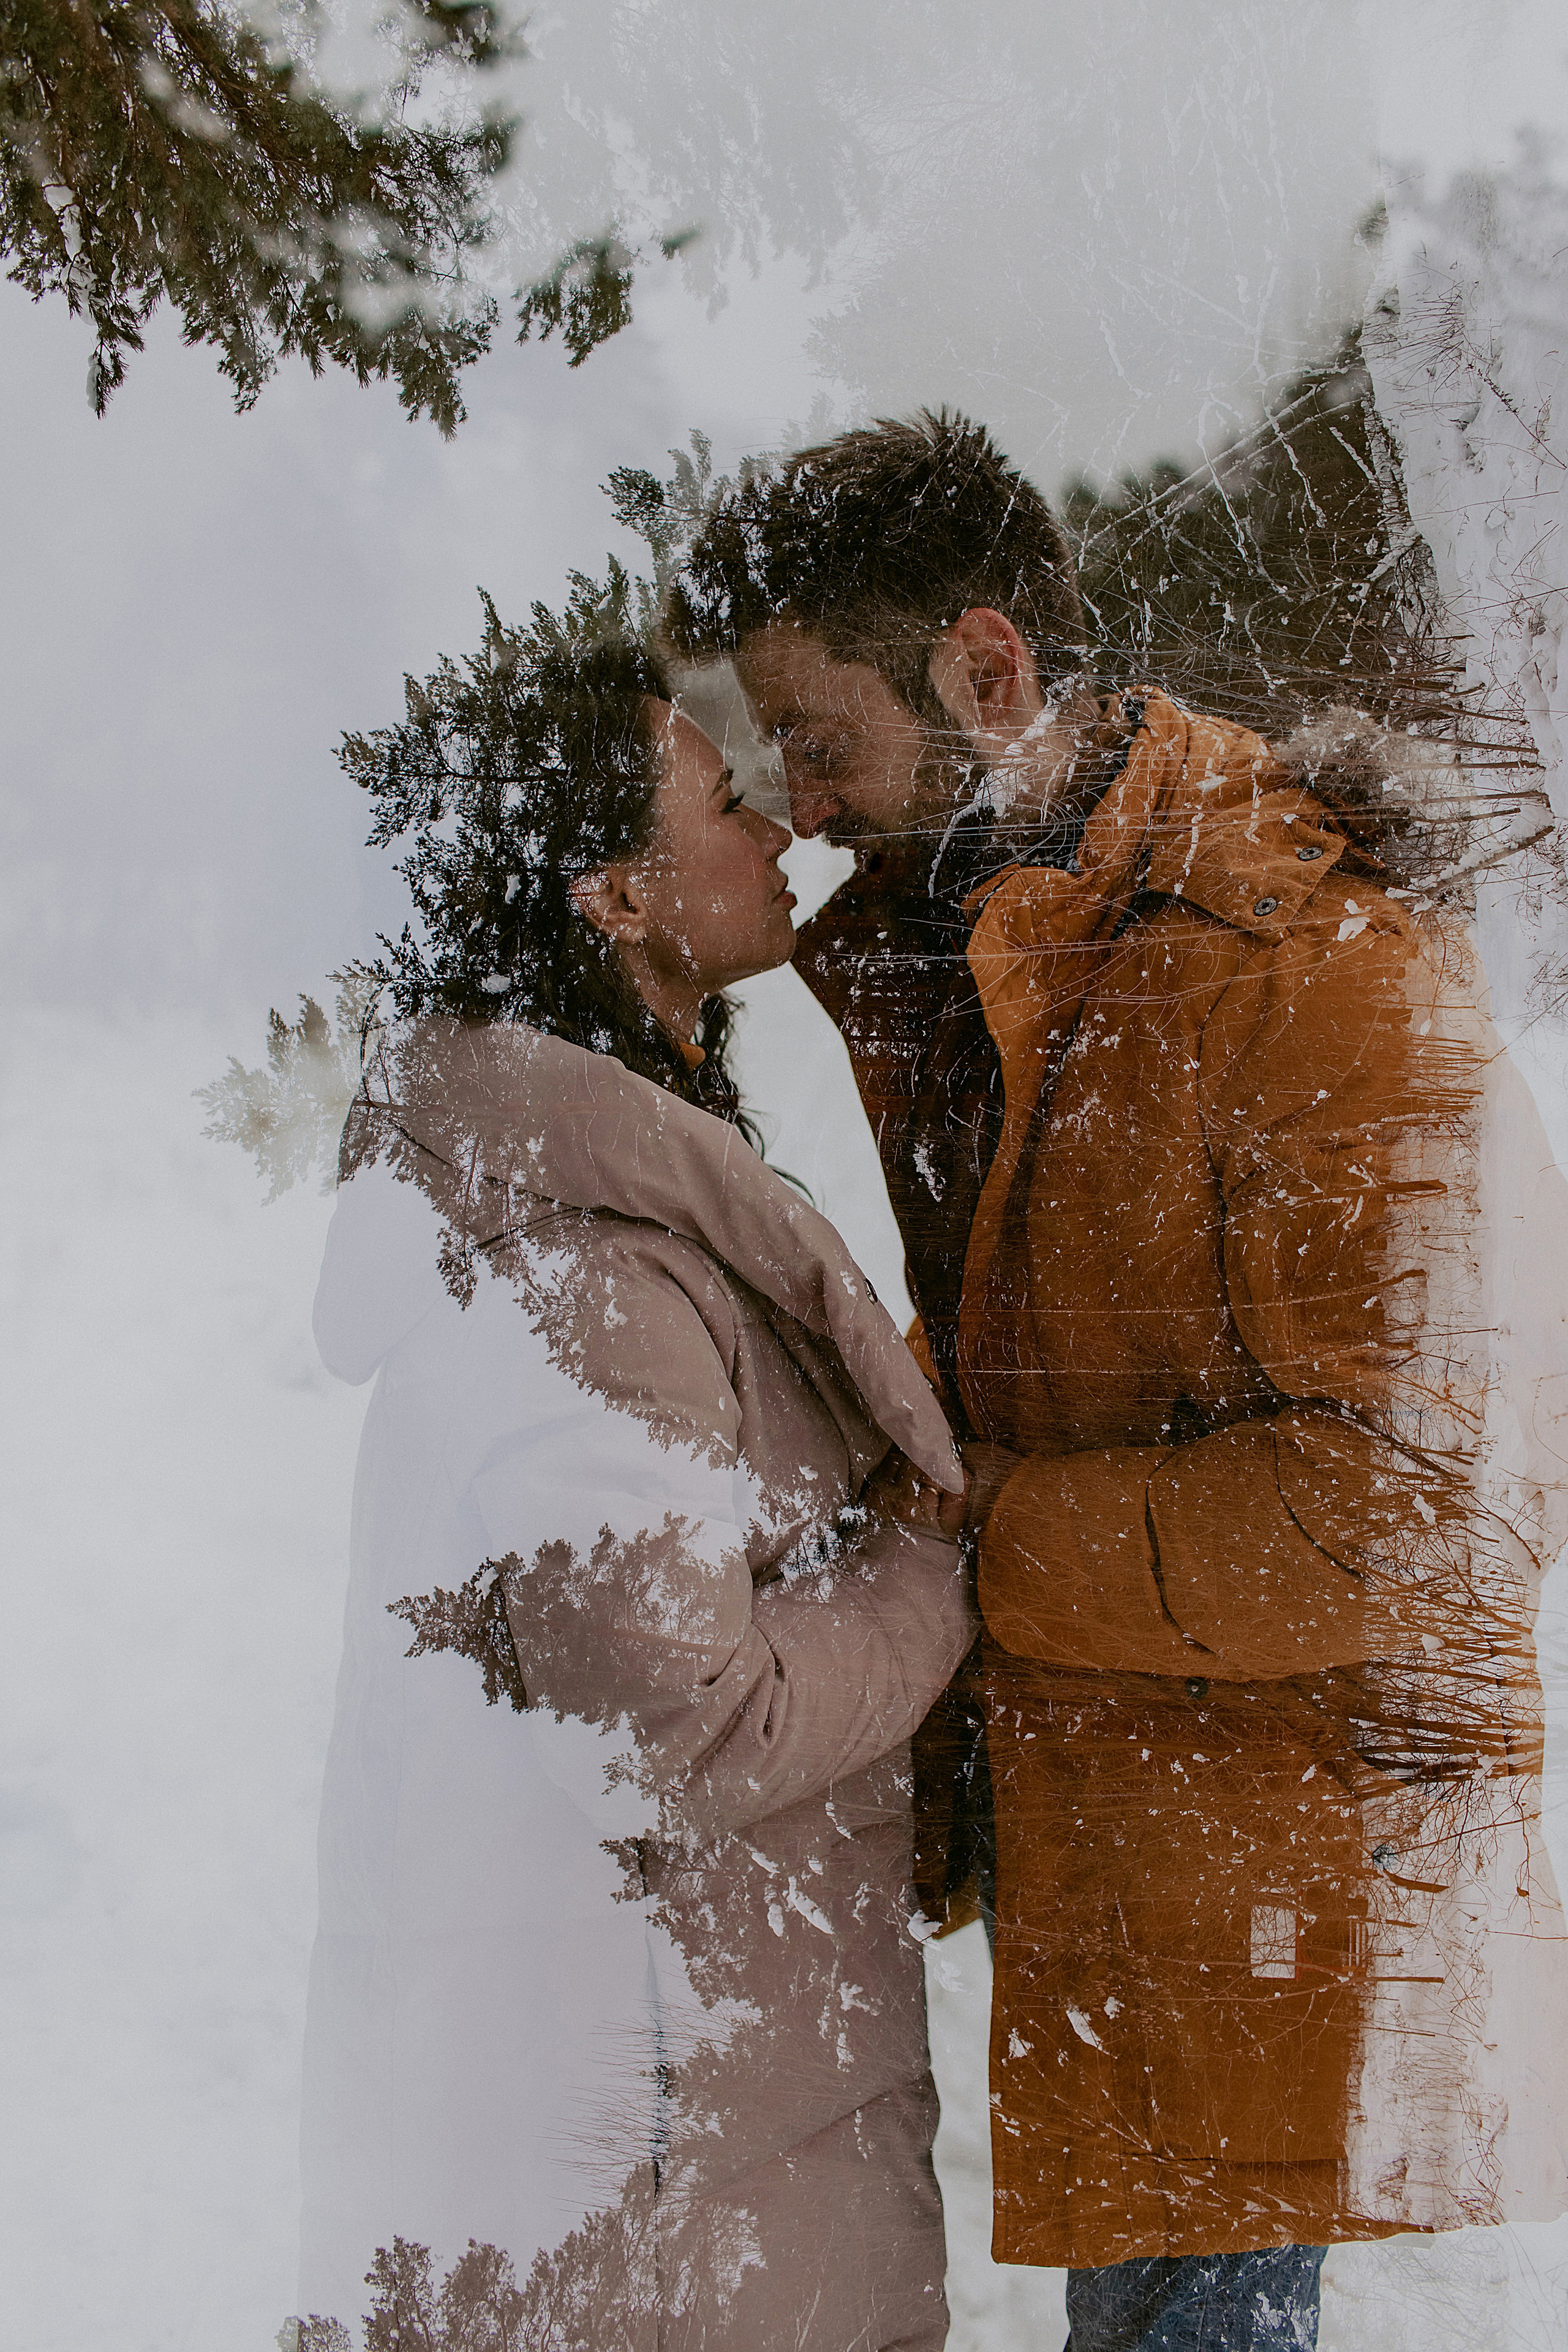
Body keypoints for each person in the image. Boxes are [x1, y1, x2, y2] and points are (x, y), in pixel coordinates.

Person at [667, 413, 1568, 2352]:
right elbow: (1072, 1344)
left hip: (1258, 1884)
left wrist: (980, 1537)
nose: (802, 809)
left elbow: (1456, 1498)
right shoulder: (993, 933)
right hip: (1123, 1841)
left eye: (819, 739)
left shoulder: (1307, 961)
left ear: (985, 670)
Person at [296, 633, 981, 2350]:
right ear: (610, 894)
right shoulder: (588, 1277)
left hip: (681, 2121)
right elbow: (678, 1732)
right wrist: (929, 1567)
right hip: (671, 2188)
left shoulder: (593, 1209)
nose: (777, 825)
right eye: (723, 798)